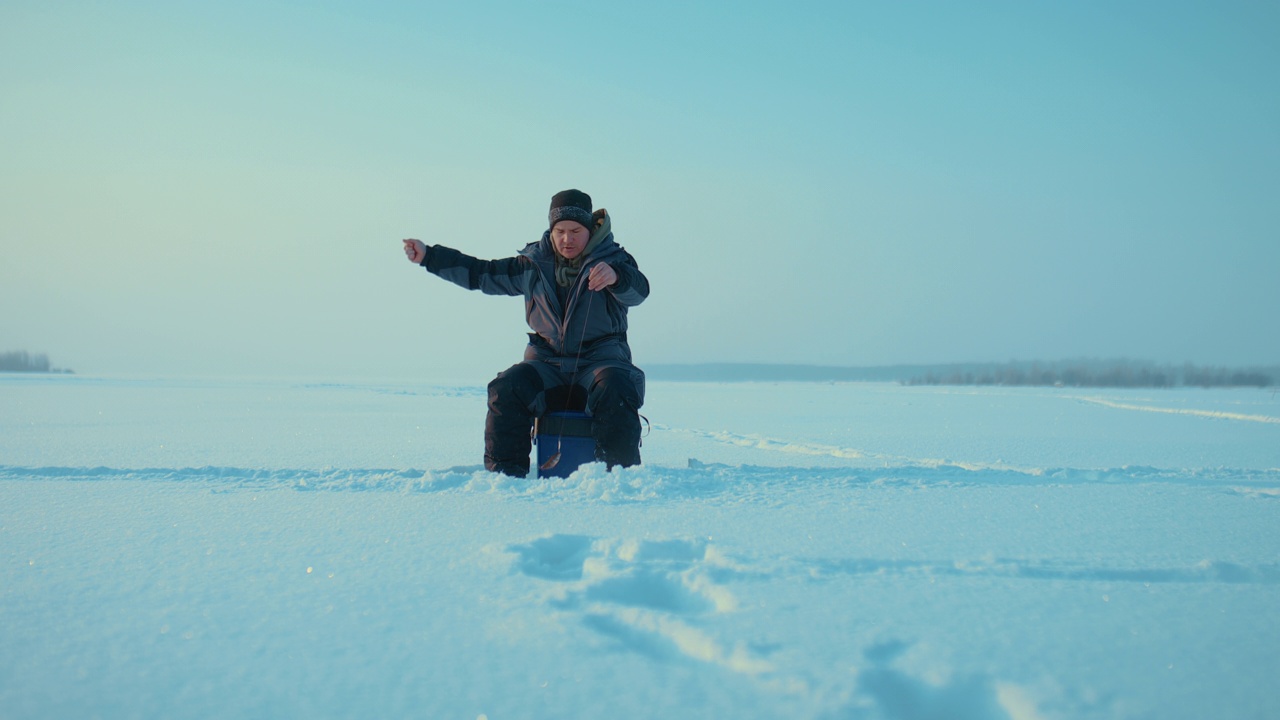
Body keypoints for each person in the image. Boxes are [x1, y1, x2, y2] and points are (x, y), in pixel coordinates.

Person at [402, 189, 649, 477]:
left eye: (575, 231)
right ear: (551, 230)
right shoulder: (532, 264)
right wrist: (430, 257)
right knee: (506, 387)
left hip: (600, 364)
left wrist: (617, 277)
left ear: (591, 229)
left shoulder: (614, 260)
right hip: (547, 365)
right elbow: (481, 273)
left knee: (616, 387)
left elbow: (639, 291)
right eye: (560, 231)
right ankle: (506, 479)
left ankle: (618, 479)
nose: (567, 239)